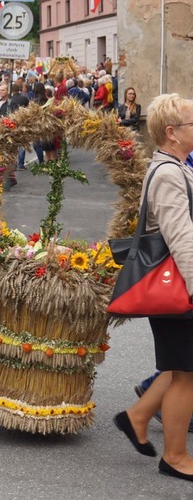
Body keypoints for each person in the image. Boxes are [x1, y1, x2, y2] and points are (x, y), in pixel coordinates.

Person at [114, 93, 193, 482]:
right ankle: (175, 456)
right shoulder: (168, 173)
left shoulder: (176, 167)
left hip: (179, 286)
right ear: (172, 133)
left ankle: (138, 416)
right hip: (180, 289)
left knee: (182, 365)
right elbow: (182, 240)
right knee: (186, 373)